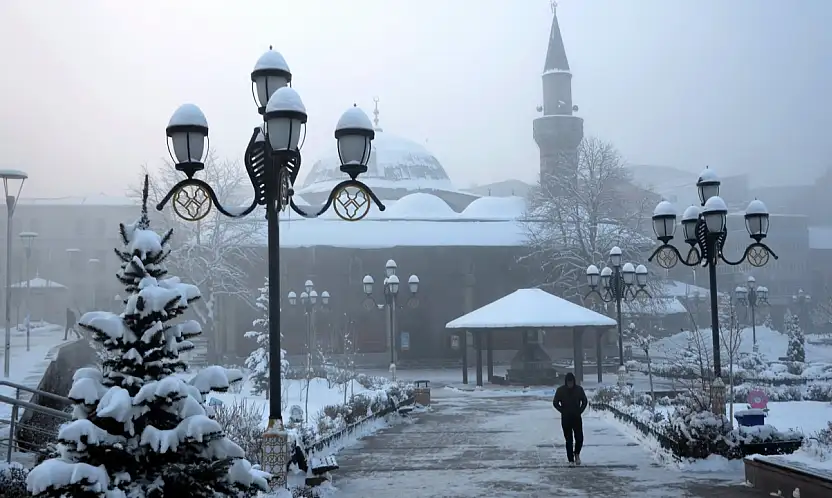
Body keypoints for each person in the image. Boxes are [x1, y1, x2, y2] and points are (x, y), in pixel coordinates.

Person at [553, 372, 588, 466]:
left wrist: (580, 410)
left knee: (579, 438)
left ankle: (576, 453)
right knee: (569, 440)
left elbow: (584, 401)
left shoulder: (579, 390)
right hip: (566, 418)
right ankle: (571, 460)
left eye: (571, 382)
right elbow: (555, 403)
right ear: (566, 382)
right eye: (568, 382)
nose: (570, 384)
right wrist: (562, 410)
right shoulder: (561, 390)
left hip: (576, 417)